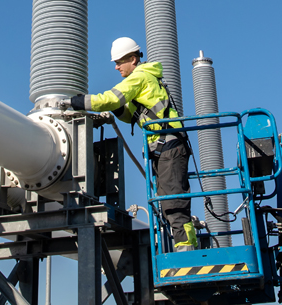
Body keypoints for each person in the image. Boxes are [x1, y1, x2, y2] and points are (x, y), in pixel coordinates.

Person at [59, 37, 198, 251]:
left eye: (119, 62)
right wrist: (117, 109)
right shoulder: (145, 79)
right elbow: (132, 115)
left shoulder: (140, 77)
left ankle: (186, 248)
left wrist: (77, 102)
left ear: (133, 59)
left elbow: (109, 98)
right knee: (167, 199)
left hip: (168, 146)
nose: (116, 67)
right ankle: (183, 245)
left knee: (172, 200)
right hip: (165, 148)